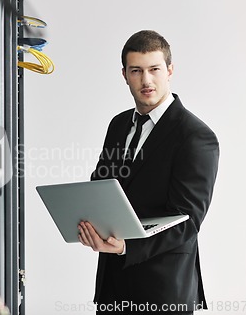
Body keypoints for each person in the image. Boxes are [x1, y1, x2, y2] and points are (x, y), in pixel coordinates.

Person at [77, 30, 219, 314]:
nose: (146, 80)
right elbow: (104, 183)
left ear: (169, 70)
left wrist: (126, 246)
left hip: (163, 290)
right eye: (136, 71)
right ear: (124, 75)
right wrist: (87, 216)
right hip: (113, 286)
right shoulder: (118, 125)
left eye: (154, 69)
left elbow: (187, 221)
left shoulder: (195, 136)